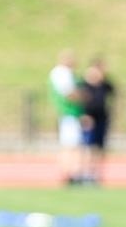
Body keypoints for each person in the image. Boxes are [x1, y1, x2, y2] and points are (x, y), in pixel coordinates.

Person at [49, 50, 85, 186]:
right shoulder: (61, 73)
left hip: (70, 113)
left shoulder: (64, 73)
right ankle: (70, 173)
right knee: (71, 145)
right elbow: (69, 93)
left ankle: (71, 173)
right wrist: (83, 98)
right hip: (69, 113)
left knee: (71, 144)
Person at [79, 59, 116, 186]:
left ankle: (96, 173)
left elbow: (115, 94)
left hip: (102, 118)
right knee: (88, 146)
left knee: (99, 147)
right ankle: (86, 173)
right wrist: (84, 115)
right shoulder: (85, 84)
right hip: (90, 119)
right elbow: (80, 100)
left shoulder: (105, 84)